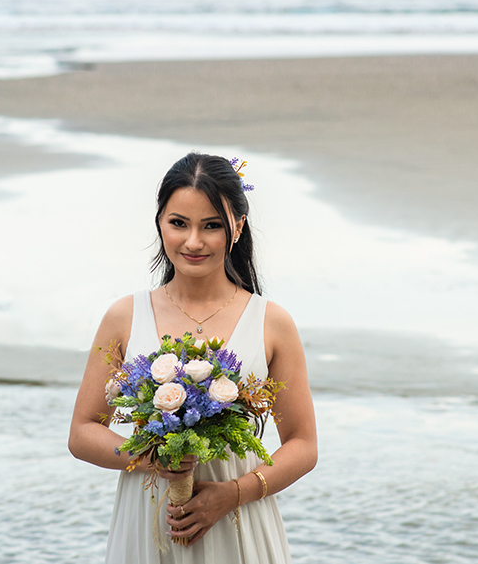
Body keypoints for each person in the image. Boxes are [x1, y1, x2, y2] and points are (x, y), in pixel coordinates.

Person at [69, 152, 318, 563]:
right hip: (149, 520)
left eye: (212, 226)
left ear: (237, 227)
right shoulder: (123, 316)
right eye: (178, 223)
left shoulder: (272, 323)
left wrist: (232, 494)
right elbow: (81, 432)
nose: (193, 242)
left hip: (238, 523)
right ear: (160, 223)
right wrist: (149, 457)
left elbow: (304, 445)